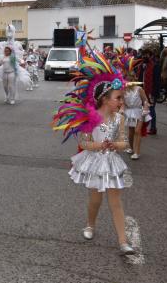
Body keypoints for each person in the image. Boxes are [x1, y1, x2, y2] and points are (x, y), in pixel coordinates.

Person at [53, 50, 134, 255]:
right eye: (118, 98)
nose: (121, 102)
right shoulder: (90, 117)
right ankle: (90, 224)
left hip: (111, 162)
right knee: (95, 200)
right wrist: (100, 145)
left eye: (122, 98)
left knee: (115, 201)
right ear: (105, 99)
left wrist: (117, 145)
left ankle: (123, 241)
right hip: (95, 161)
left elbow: (125, 141)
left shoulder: (120, 118)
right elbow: (84, 143)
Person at [0, 25, 31, 104]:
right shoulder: (3, 57)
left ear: (10, 51)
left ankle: (12, 98)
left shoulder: (13, 56)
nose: (6, 51)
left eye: (8, 51)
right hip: (4, 72)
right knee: (5, 86)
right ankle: (7, 96)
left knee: (11, 85)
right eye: (5, 50)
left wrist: (22, 61)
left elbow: (20, 60)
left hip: (12, 72)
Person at [121, 59, 149, 160]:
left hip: (139, 112)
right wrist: (122, 110)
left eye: (132, 79)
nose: (130, 81)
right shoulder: (123, 91)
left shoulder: (139, 89)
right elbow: (123, 103)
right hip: (129, 112)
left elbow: (146, 101)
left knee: (138, 131)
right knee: (131, 131)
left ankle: (137, 152)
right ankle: (130, 147)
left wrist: (145, 109)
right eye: (128, 80)